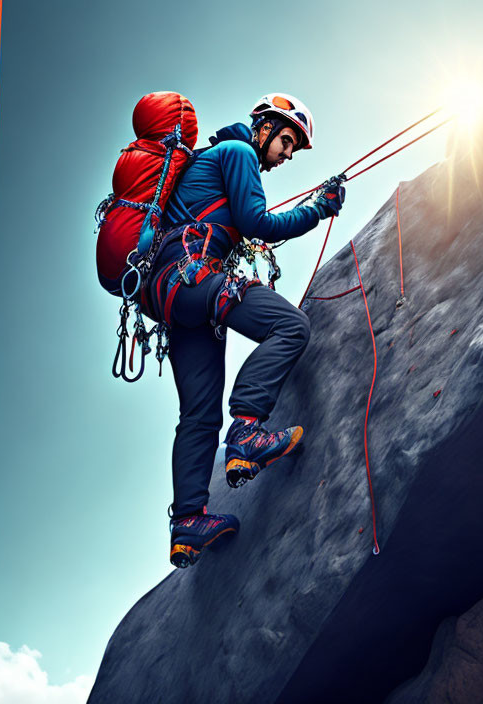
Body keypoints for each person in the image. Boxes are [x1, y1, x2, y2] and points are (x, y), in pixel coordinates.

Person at [141, 93, 345, 568]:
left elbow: (240, 223)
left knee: (198, 414)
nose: (286, 155)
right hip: (192, 274)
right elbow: (259, 223)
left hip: (172, 294)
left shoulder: (215, 162)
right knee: (290, 325)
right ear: (265, 127)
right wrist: (320, 208)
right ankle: (248, 431)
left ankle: (188, 521)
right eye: (287, 141)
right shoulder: (237, 154)